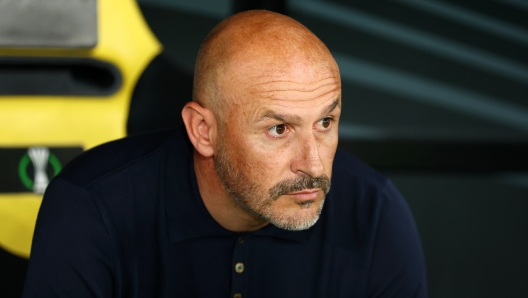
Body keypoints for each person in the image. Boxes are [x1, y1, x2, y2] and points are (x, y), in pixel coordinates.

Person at [23, 10, 427, 298]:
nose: (315, 165)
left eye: (325, 123)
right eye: (279, 129)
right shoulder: (91, 206)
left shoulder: (374, 211)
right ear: (203, 131)